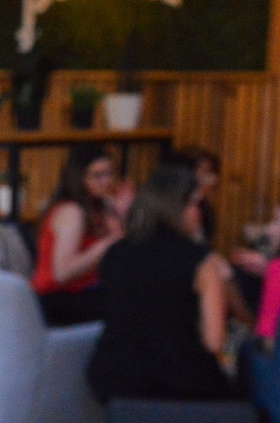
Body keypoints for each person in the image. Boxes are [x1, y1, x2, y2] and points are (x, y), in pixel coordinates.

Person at [86, 164, 235, 404]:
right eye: (197, 204)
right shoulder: (202, 261)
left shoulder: (115, 253)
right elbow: (215, 341)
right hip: (181, 383)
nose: (200, 212)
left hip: (114, 377)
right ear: (177, 206)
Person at [31, 145, 128, 324]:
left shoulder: (101, 208)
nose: (106, 181)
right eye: (97, 176)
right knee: (128, 304)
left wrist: (121, 214)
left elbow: (123, 251)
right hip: (55, 299)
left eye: (109, 174)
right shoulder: (72, 211)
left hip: (83, 293)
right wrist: (109, 242)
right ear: (79, 178)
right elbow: (62, 273)